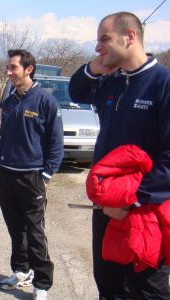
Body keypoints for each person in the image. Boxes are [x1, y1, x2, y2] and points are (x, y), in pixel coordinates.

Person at [69, 11, 170, 299]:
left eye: (105, 39)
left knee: (146, 288)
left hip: (145, 210)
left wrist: (132, 201)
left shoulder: (163, 83)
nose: (98, 47)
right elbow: (77, 91)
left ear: (130, 36)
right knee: (108, 283)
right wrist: (94, 67)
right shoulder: (113, 82)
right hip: (107, 207)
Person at [0, 49, 64, 300]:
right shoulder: (11, 99)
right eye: (8, 67)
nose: (9, 72)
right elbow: (4, 137)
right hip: (6, 175)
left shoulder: (45, 101)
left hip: (32, 177)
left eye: (13, 67)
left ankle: (42, 284)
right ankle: (21, 271)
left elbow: (56, 144)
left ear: (28, 69)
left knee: (35, 232)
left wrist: (46, 175)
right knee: (16, 230)